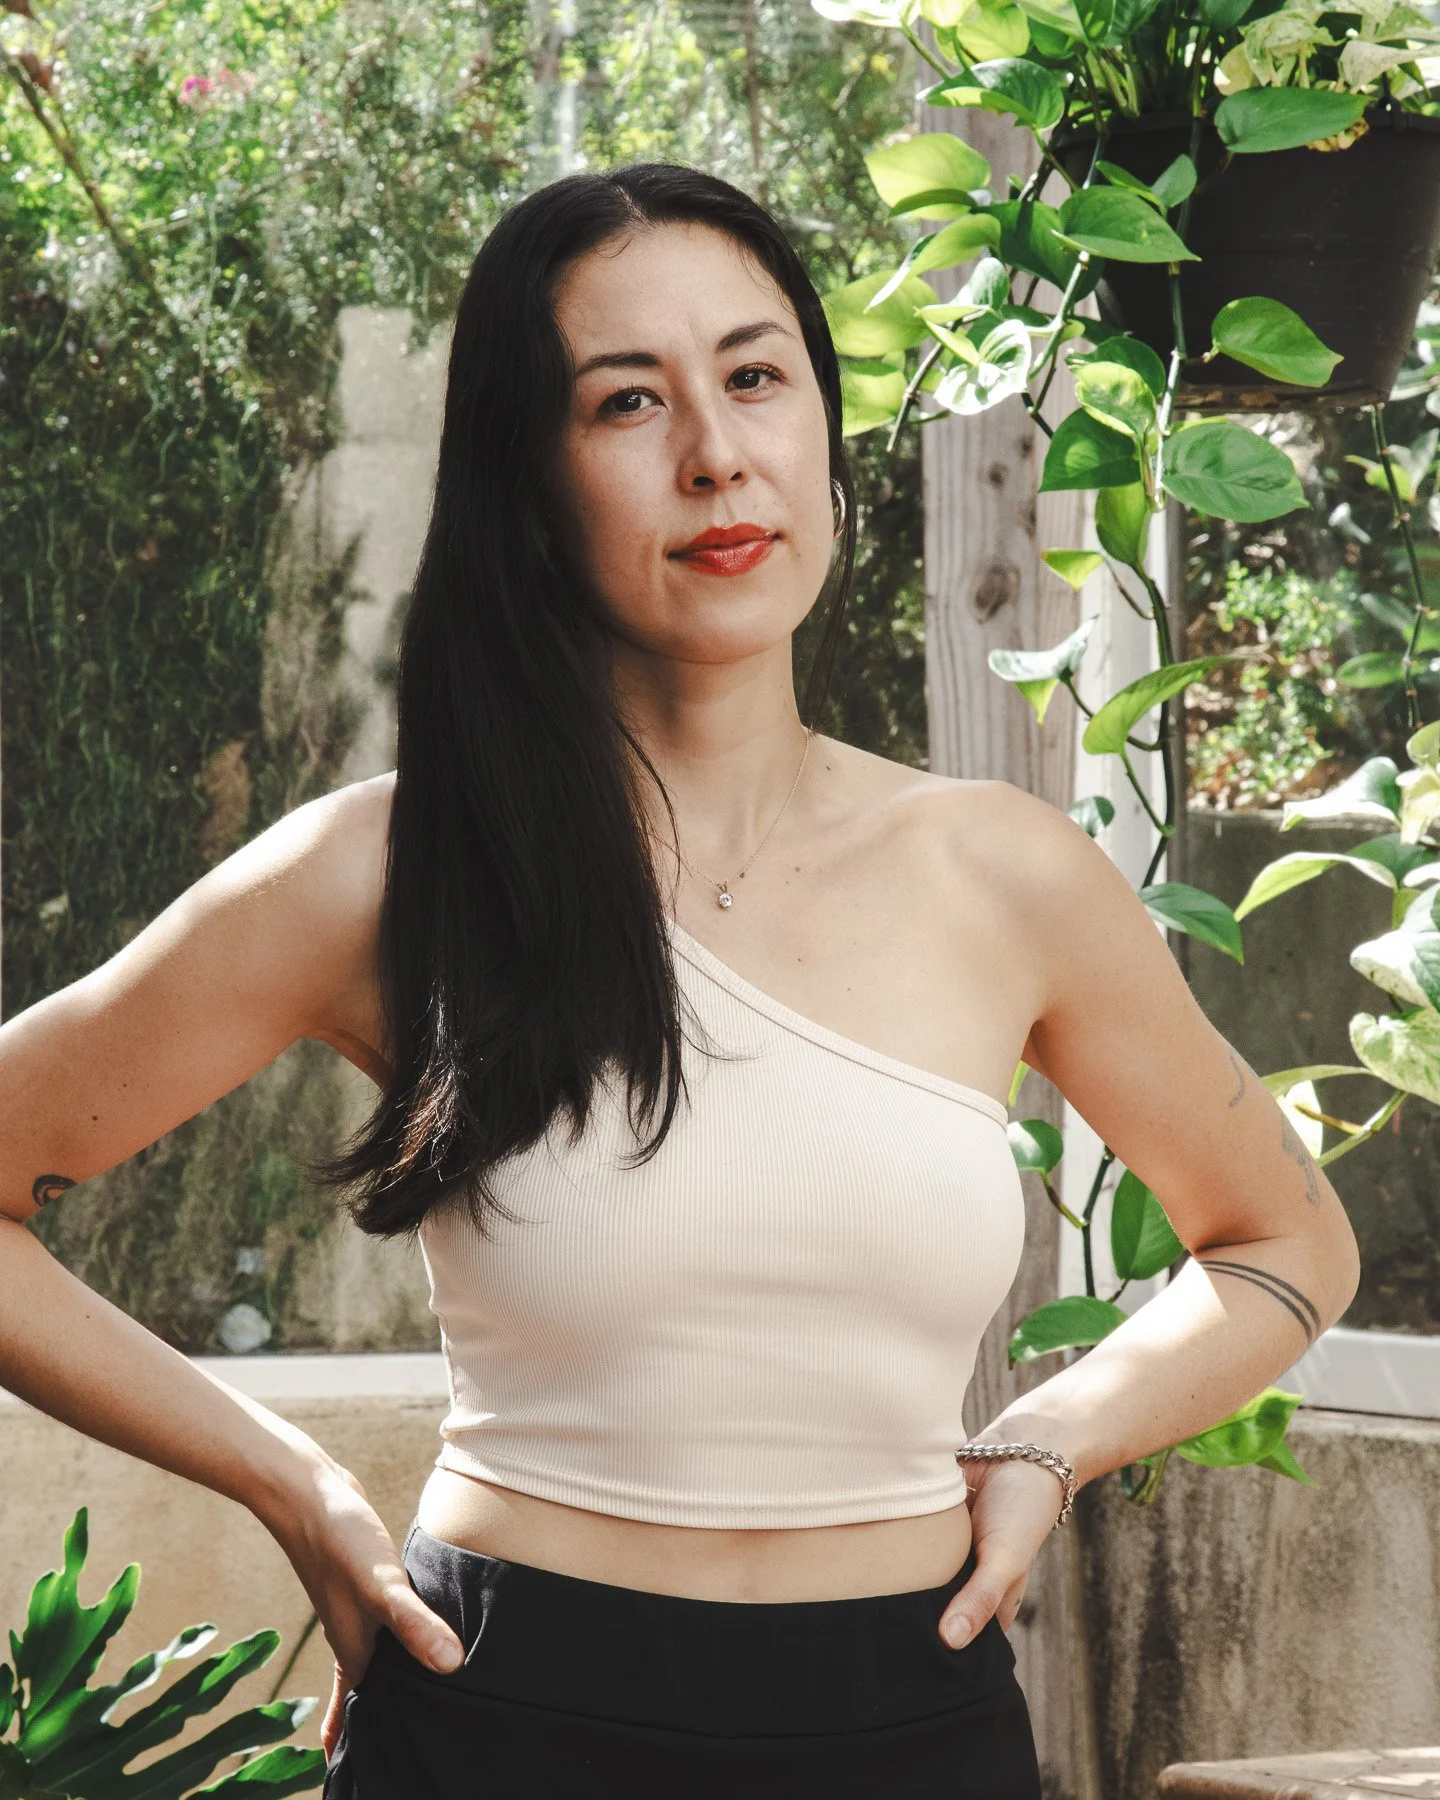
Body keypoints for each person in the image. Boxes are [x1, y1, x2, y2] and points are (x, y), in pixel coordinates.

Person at [0, 161, 1359, 1799]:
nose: (717, 453)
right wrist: (292, 1481)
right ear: (525, 476)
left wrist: (1048, 1442)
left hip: (911, 1722)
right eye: (627, 401)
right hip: (502, 1715)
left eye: (756, 374)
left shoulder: (1005, 873)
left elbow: (1284, 1239)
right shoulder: (386, 872)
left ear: (820, 431)